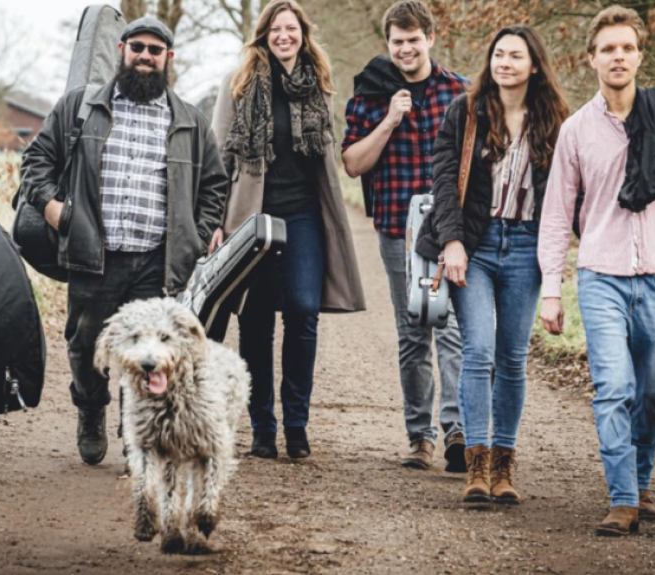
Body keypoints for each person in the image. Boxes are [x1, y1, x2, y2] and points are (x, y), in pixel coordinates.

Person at [21, 16, 227, 466]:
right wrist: (55, 210)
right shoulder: (80, 106)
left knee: (150, 351)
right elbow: (36, 160)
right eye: (138, 47)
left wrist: (194, 236)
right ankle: (91, 409)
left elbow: (215, 185)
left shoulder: (190, 120)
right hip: (94, 252)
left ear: (168, 58)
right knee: (85, 342)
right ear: (122, 49)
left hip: (159, 258)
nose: (145, 56)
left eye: (155, 50)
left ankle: (136, 424)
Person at [417, 24, 568, 503]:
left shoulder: (554, 119)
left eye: (515, 56)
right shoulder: (465, 112)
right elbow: (443, 181)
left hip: (527, 245)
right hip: (476, 245)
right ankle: (476, 468)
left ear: (534, 65)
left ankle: (504, 468)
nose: (504, 62)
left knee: (512, 359)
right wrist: (453, 241)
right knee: (477, 351)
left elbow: (565, 196)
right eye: (498, 54)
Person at [211, 0, 365, 459]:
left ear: (303, 33)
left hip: (302, 216)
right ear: (264, 34)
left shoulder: (317, 85)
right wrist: (217, 225)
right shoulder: (238, 83)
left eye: (291, 28)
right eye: (276, 28)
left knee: (302, 309)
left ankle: (296, 423)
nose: (284, 36)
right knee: (255, 321)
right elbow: (221, 157)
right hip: (252, 220)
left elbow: (326, 154)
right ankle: (263, 426)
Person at [539, 5, 655, 536]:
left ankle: (641, 478)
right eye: (608, 48)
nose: (618, 56)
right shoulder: (576, 131)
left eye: (627, 48)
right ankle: (623, 498)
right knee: (614, 387)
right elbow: (558, 215)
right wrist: (551, 291)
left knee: (652, 391)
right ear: (591, 59)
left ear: (640, 54)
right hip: (601, 276)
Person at [342, 1, 467, 472]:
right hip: (398, 229)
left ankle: (459, 431)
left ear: (430, 40)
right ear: (388, 43)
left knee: (452, 328)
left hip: (451, 231)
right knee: (414, 330)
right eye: (397, 42)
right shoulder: (372, 95)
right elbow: (353, 163)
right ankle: (421, 437)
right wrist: (389, 120)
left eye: (414, 40)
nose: (406, 49)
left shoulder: (461, 92)